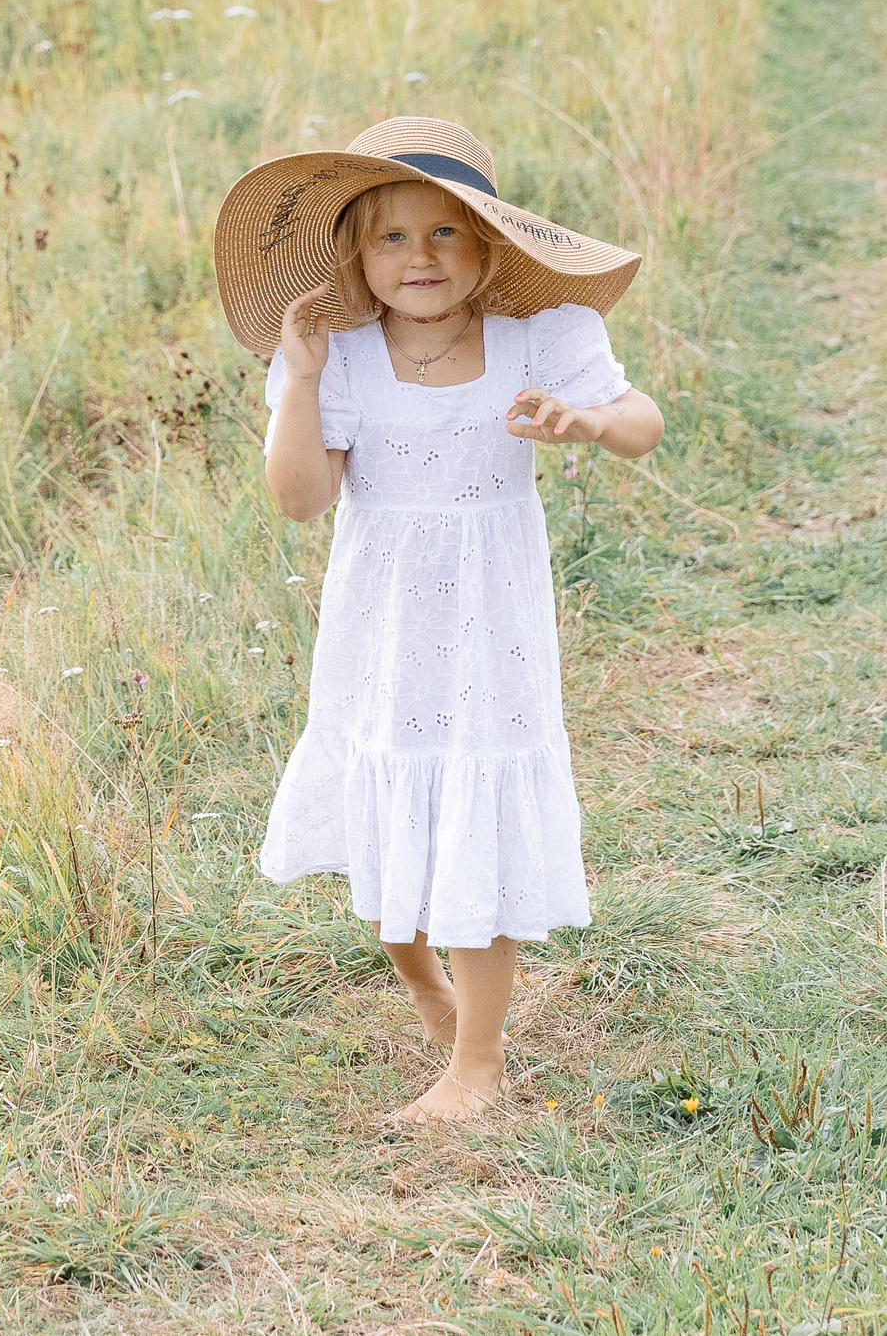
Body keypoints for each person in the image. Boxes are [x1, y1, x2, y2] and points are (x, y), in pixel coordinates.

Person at [210, 116, 662, 1123]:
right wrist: (306, 381)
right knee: (385, 807)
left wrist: (583, 421)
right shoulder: (340, 356)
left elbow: (641, 423)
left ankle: (478, 1065)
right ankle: (421, 980)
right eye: (391, 238)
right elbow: (297, 499)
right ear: (355, 257)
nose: (420, 258)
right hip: (382, 619)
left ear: (491, 244)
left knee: (475, 815)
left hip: (490, 620)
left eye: (446, 233)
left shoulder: (538, 341)